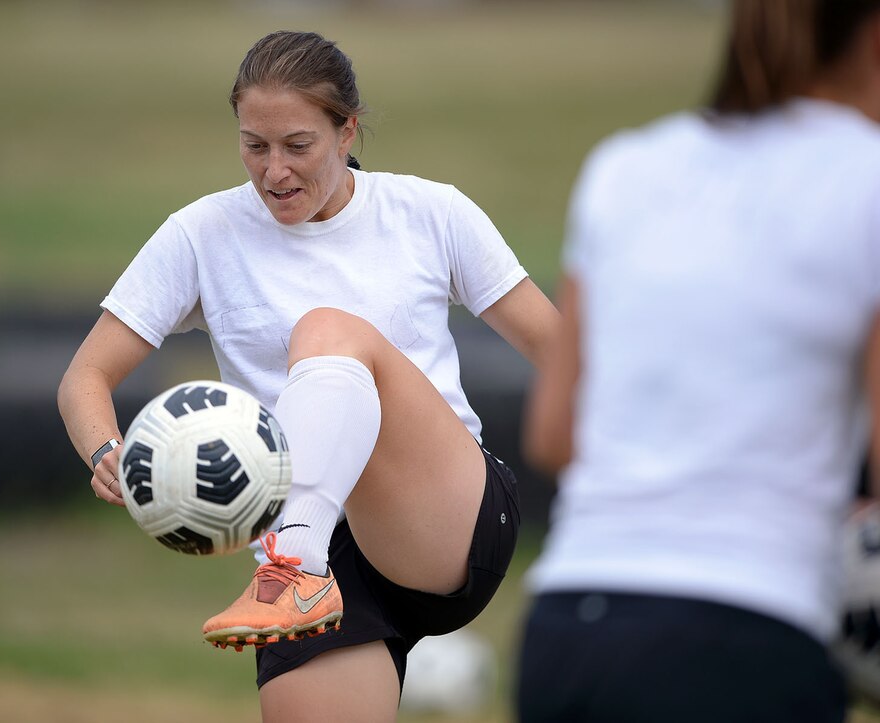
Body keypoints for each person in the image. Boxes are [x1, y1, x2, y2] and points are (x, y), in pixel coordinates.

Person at [57, 30, 559, 722]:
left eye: (298, 145)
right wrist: (105, 449)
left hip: (444, 516)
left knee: (328, 331)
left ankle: (293, 565)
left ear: (346, 129)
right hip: (335, 562)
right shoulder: (202, 233)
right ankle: (300, 565)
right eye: (253, 145)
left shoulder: (429, 212)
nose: (273, 172)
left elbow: (560, 350)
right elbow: (86, 375)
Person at [517, 1, 880, 721]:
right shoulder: (866, 179)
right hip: (744, 638)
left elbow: (555, 434)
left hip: (567, 631)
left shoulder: (625, 168)